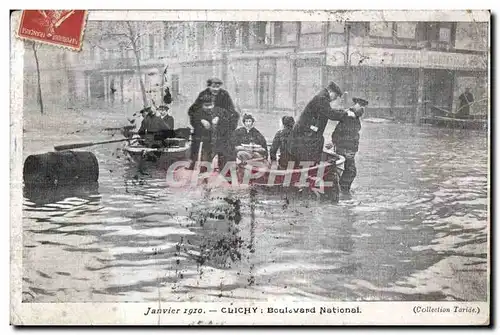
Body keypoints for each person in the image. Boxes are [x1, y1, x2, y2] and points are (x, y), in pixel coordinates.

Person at [288, 81, 354, 166]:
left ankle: (311, 168)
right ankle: (311, 170)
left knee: (316, 144)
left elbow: (329, 111)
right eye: (336, 96)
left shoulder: (322, 97)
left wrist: (343, 112)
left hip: (307, 133)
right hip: (304, 134)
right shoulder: (322, 98)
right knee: (311, 149)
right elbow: (330, 113)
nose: (335, 99)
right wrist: (346, 114)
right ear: (330, 92)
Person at [331, 97, 368, 198]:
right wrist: (343, 148)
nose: (363, 109)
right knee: (351, 171)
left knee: (348, 171)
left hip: (347, 149)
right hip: (346, 149)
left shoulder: (353, 116)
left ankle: (342, 190)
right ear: (356, 105)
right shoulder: (349, 116)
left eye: (363, 107)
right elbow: (340, 133)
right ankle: (343, 191)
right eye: (361, 106)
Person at [188, 94, 217, 165]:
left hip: (210, 135)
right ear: (202, 105)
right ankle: (193, 163)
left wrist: (217, 120)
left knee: (208, 150)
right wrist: (201, 121)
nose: (209, 107)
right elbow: (193, 121)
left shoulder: (216, 111)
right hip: (198, 133)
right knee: (195, 149)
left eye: (211, 105)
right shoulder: (197, 112)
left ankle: (205, 166)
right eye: (206, 105)